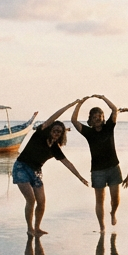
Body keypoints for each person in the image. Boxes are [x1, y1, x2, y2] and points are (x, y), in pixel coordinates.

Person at [14, 100, 89, 237]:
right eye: (54, 130)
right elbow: (53, 118)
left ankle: (37, 228)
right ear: (50, 129)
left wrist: (80, 177)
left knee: (41, 202)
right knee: (31, 200)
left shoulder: (55, 148)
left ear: (62, 135)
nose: (56, 133)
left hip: (36, 171)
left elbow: (68, 163)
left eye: (59, 132)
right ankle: (30, 228)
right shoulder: (40, 134)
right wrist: (69, 105)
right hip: (21, 167)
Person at [71, 94, 122, 232]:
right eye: (94, 118)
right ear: (91, 121)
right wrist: (80, 103)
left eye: (99, 116)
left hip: (113, 168)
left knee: (115, 200)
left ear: (103, 118)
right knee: (99, 200)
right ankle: (102, 227)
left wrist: (103, 97)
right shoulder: (88, 132)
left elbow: (114, 109)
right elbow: (74, 120)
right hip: (97, 171)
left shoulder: (109, 127)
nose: (97, 119)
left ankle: (113, 213)